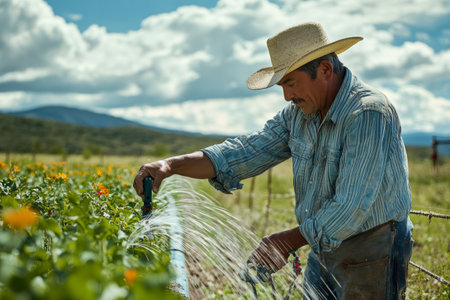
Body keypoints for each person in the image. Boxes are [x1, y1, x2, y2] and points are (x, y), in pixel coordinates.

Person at [133, 22, 413, 299]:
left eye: (291, 83)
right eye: (282, 86)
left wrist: (287, 241)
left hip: (372, 249)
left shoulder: (367, 113)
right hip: (322, 244)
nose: (287, 96)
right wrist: (170, 165)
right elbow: (244, 151)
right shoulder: (298, 115)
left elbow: (352, 206)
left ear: (325, 70)